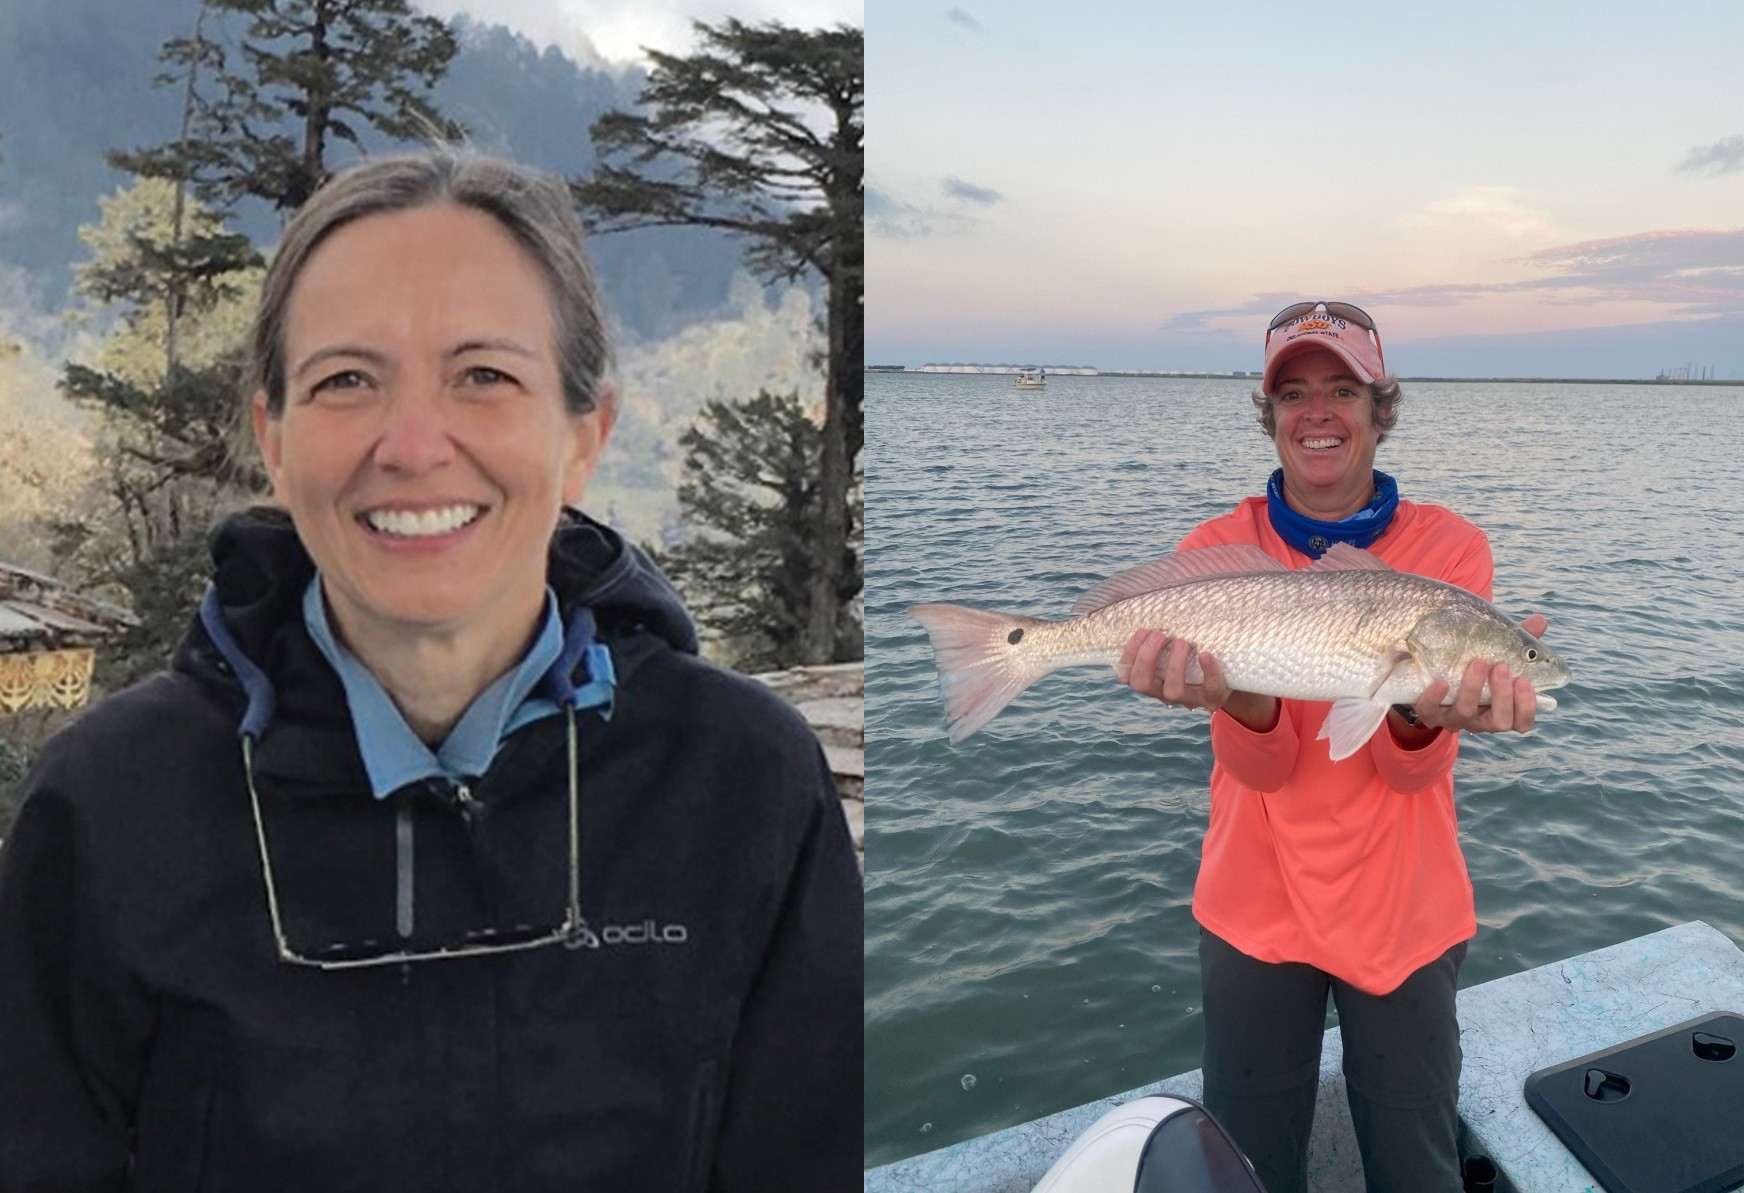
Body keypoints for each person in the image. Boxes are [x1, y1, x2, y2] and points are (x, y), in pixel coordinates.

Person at [0, 151, 862, 1191]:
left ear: (585, 432)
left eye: (484, 376)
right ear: (274, 437)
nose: (411, 445)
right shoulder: (111, 810)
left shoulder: (742, 782)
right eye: (346, 380)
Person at [1115, 301, 1546, 1193]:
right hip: (1252, 906)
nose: (1318, 411)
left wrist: (1426, 713)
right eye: (1293, 392)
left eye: (1342, 389)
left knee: (1416, 1156)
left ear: (1380, 408)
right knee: (1247, 1162)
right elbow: (1262, 766)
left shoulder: (1448, 552)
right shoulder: (1218, 551)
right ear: (1268, 415)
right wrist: (1229, 689)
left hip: (1406, 905)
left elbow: (1400, 768)